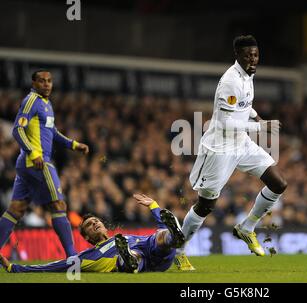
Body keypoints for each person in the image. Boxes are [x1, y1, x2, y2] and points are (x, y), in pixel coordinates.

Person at [175, 35, 288, 270]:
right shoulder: (230, 81)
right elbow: (225, 123)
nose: (253, 59)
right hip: (219, 148)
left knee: (278, 183)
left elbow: (245, 106)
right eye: (248, 55)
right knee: (206, 205)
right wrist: (261, 127)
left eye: (255, 55)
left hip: (241, 143)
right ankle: (179, 249)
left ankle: (246, 228)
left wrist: (257, 118)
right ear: (237, 55)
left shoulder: (248, 76)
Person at [0, 70, 89, 257]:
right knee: (58, 206)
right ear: (34, 83)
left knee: (16, 209)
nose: (47, 84)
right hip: (38, 162)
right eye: (42, 81)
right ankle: (73, 257)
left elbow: (53, 132)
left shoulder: (46, 104)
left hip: (27, 164)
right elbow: (17, 129)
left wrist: (74, 144)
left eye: (49, 81)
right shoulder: (31, 101)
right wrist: (33, 153)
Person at [0, 194, 185, 273]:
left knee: (161, 236)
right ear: (87, 237)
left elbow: (161, 222)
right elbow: (55, 266)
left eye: (96, 220)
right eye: (89, 224)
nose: (94, 222)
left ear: (105, 226)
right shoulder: (90, 256)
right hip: (141, 262)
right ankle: (129, 260)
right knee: (132, 256)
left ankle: (174, 237)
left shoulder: (126, 236)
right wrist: (14, 268)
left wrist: (153, 206)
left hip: (156, 250)